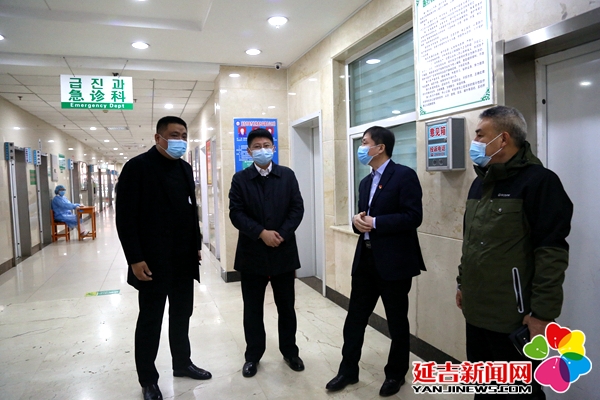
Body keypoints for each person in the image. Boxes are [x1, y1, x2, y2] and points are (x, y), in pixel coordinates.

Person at [456, 106, 573, 399]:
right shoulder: (480, 184)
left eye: (480, 135)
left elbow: (551, 253)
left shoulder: (540, 182)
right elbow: (471, 242)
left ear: (504, 139)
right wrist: (462, 283)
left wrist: (542, 315)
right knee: (483, 386)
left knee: (519, 392)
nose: (475, 142)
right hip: (477, 311)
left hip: (513, 318)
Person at [115, 116, 211, 400]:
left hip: (183, 259)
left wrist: (195, 245)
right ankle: (148, 379)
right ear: (158, 138)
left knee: (182, 314)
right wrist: (134, 258)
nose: (180, 140)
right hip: (152, 262)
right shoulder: (137, 167)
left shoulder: (184, 168)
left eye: (184, 135)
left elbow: (190, 210)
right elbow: (125, 218)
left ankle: (182, 363)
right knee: (150, 320)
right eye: (174, 135)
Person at [326, 126, 426, 397]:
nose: (361, 147)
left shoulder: (404, 175)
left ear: (380, 147)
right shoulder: (365, 182)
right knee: (355, 319)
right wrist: (357, 222)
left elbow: (413, 217)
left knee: (397, 322)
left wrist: (376, 222)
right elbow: (363, 219)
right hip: (366, 260)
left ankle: (395, 374)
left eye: (365, 142)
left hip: (395, 263)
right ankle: (348, 370)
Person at [228, 128, 305, 378]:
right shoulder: (240, 179)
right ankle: (253, 356)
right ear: (249, 151)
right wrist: (261, 233)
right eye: (257, 146)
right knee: (252, 309)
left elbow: (297, 208)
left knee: (286, 308)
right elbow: (236, 213)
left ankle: (290, 352)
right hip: (252, 255)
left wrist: (280, 233)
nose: (263, 150)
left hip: (283, 252)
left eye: (267, 145)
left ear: (273, 148)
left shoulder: (287, 175)